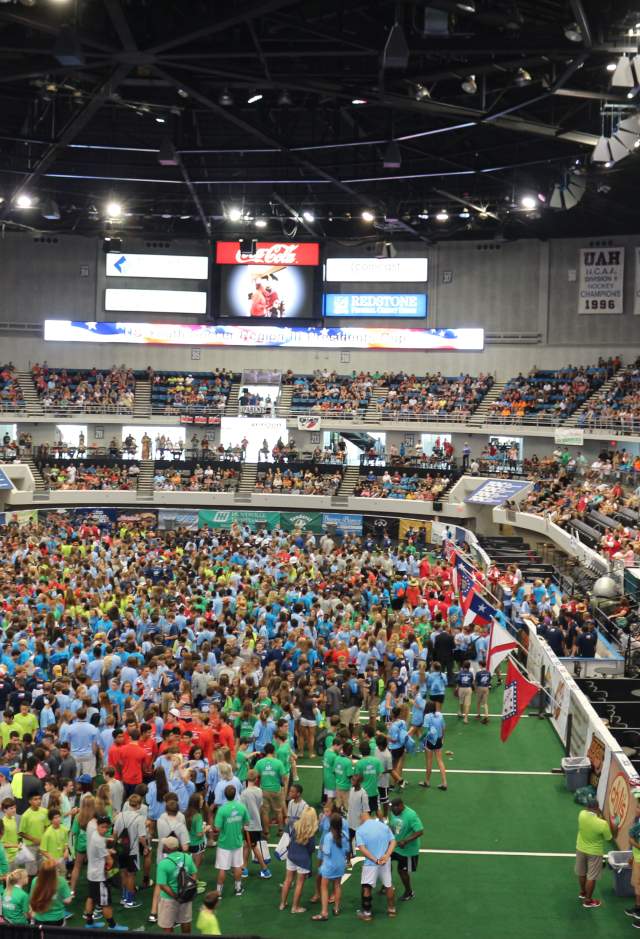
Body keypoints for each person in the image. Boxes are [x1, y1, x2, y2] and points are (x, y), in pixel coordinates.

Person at [84, 814, 128, 930]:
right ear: (98, 825)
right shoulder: (98, 841)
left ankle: (89, 922)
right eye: (102, 827)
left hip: (91, 874)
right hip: (100, 877)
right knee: (106, 902)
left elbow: (101, 846)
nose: (105, 829)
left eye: (106, 827)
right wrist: (114, 871)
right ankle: (112, 926)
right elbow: (109, 861)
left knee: (91, 898)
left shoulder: (94, 833)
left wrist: (107, 845)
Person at [575, 795, 617, 909]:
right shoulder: (602, 824)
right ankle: (588, 900)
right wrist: (613, 826)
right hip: (594, 852)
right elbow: (609, 838)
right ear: (597, 808)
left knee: (582, 873)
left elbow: (590, 815)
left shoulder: (581, 814)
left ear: (587, 807)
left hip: (580, 848)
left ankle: (583, 892)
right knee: (591, 877)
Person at [355, 810, 396, 921]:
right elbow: (393, 841)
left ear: (361, 817)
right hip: (385, 861)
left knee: (367, 888)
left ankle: (367, 914)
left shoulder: (360, 830)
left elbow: (362, 848)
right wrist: (387, 855)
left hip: (371, 864)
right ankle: (391, 910)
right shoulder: (382, 825)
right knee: (388, 885)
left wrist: (375, 860)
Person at [214, 784, 250, 898]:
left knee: (223, 868)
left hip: (224, 844)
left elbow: (217, 828)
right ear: (235, 794)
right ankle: (238, 888)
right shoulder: (241, 807)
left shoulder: (222, 809)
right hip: (237, 842)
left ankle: (218, 892)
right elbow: (247, 823)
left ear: (225, 795)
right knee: (238, 866)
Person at [279, 805, 318, 914]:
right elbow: (311, 849)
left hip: (291, 856)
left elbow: (290, 840)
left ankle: (282, 904)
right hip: (303, 860)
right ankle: (295, 907)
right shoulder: (311, 833)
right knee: (299, 883)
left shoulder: (295, 826)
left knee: (287, 880)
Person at [312, 812, 350, 921]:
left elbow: (326, 852)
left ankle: (324, 912)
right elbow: (347, 851)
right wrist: (347, 860)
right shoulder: (345, 836)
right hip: (340, 866)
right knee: (337, 885)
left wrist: (321, 847)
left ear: (331, 824)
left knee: (324, 888)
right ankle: (336, 908)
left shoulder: (328, 837)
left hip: (329, 866)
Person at [157, 835, 198, 933]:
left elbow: (162, 885)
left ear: (167, 848)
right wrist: (189, 888)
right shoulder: (187, 857)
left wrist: (176, 896)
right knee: (185, 921)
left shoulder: (163, 864)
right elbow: (194, 873)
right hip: (186, 896)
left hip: (169, 899)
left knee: (167, 925)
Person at [388, 797, 423, 901]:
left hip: (408, 850)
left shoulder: (411, 815)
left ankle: (409, 892)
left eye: (394, 808)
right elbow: (392, 825)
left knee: (402, 871)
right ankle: (387, 885)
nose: (392, 811)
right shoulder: (393, 812)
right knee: (385, 863)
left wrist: (406, 841)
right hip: (395, 846)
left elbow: (420, 831)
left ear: (400, 806)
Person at [29, 857, 74, 926]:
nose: (58, 870)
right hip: (57, 918)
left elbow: (32, 898)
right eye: (56, 868)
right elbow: (67, 900)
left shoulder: (35, 880)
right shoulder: (62, 881)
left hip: (39, 918)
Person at [420, 703, 447, 790]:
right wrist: (443, 738)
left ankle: (427, 782)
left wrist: (421, 739)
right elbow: (443, 727)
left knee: (429, 761)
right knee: (440, 760)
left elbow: (425, 731)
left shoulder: (427, 716)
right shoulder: (440, 714)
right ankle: (444, 783)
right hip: (439, 740)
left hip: (430, 741)